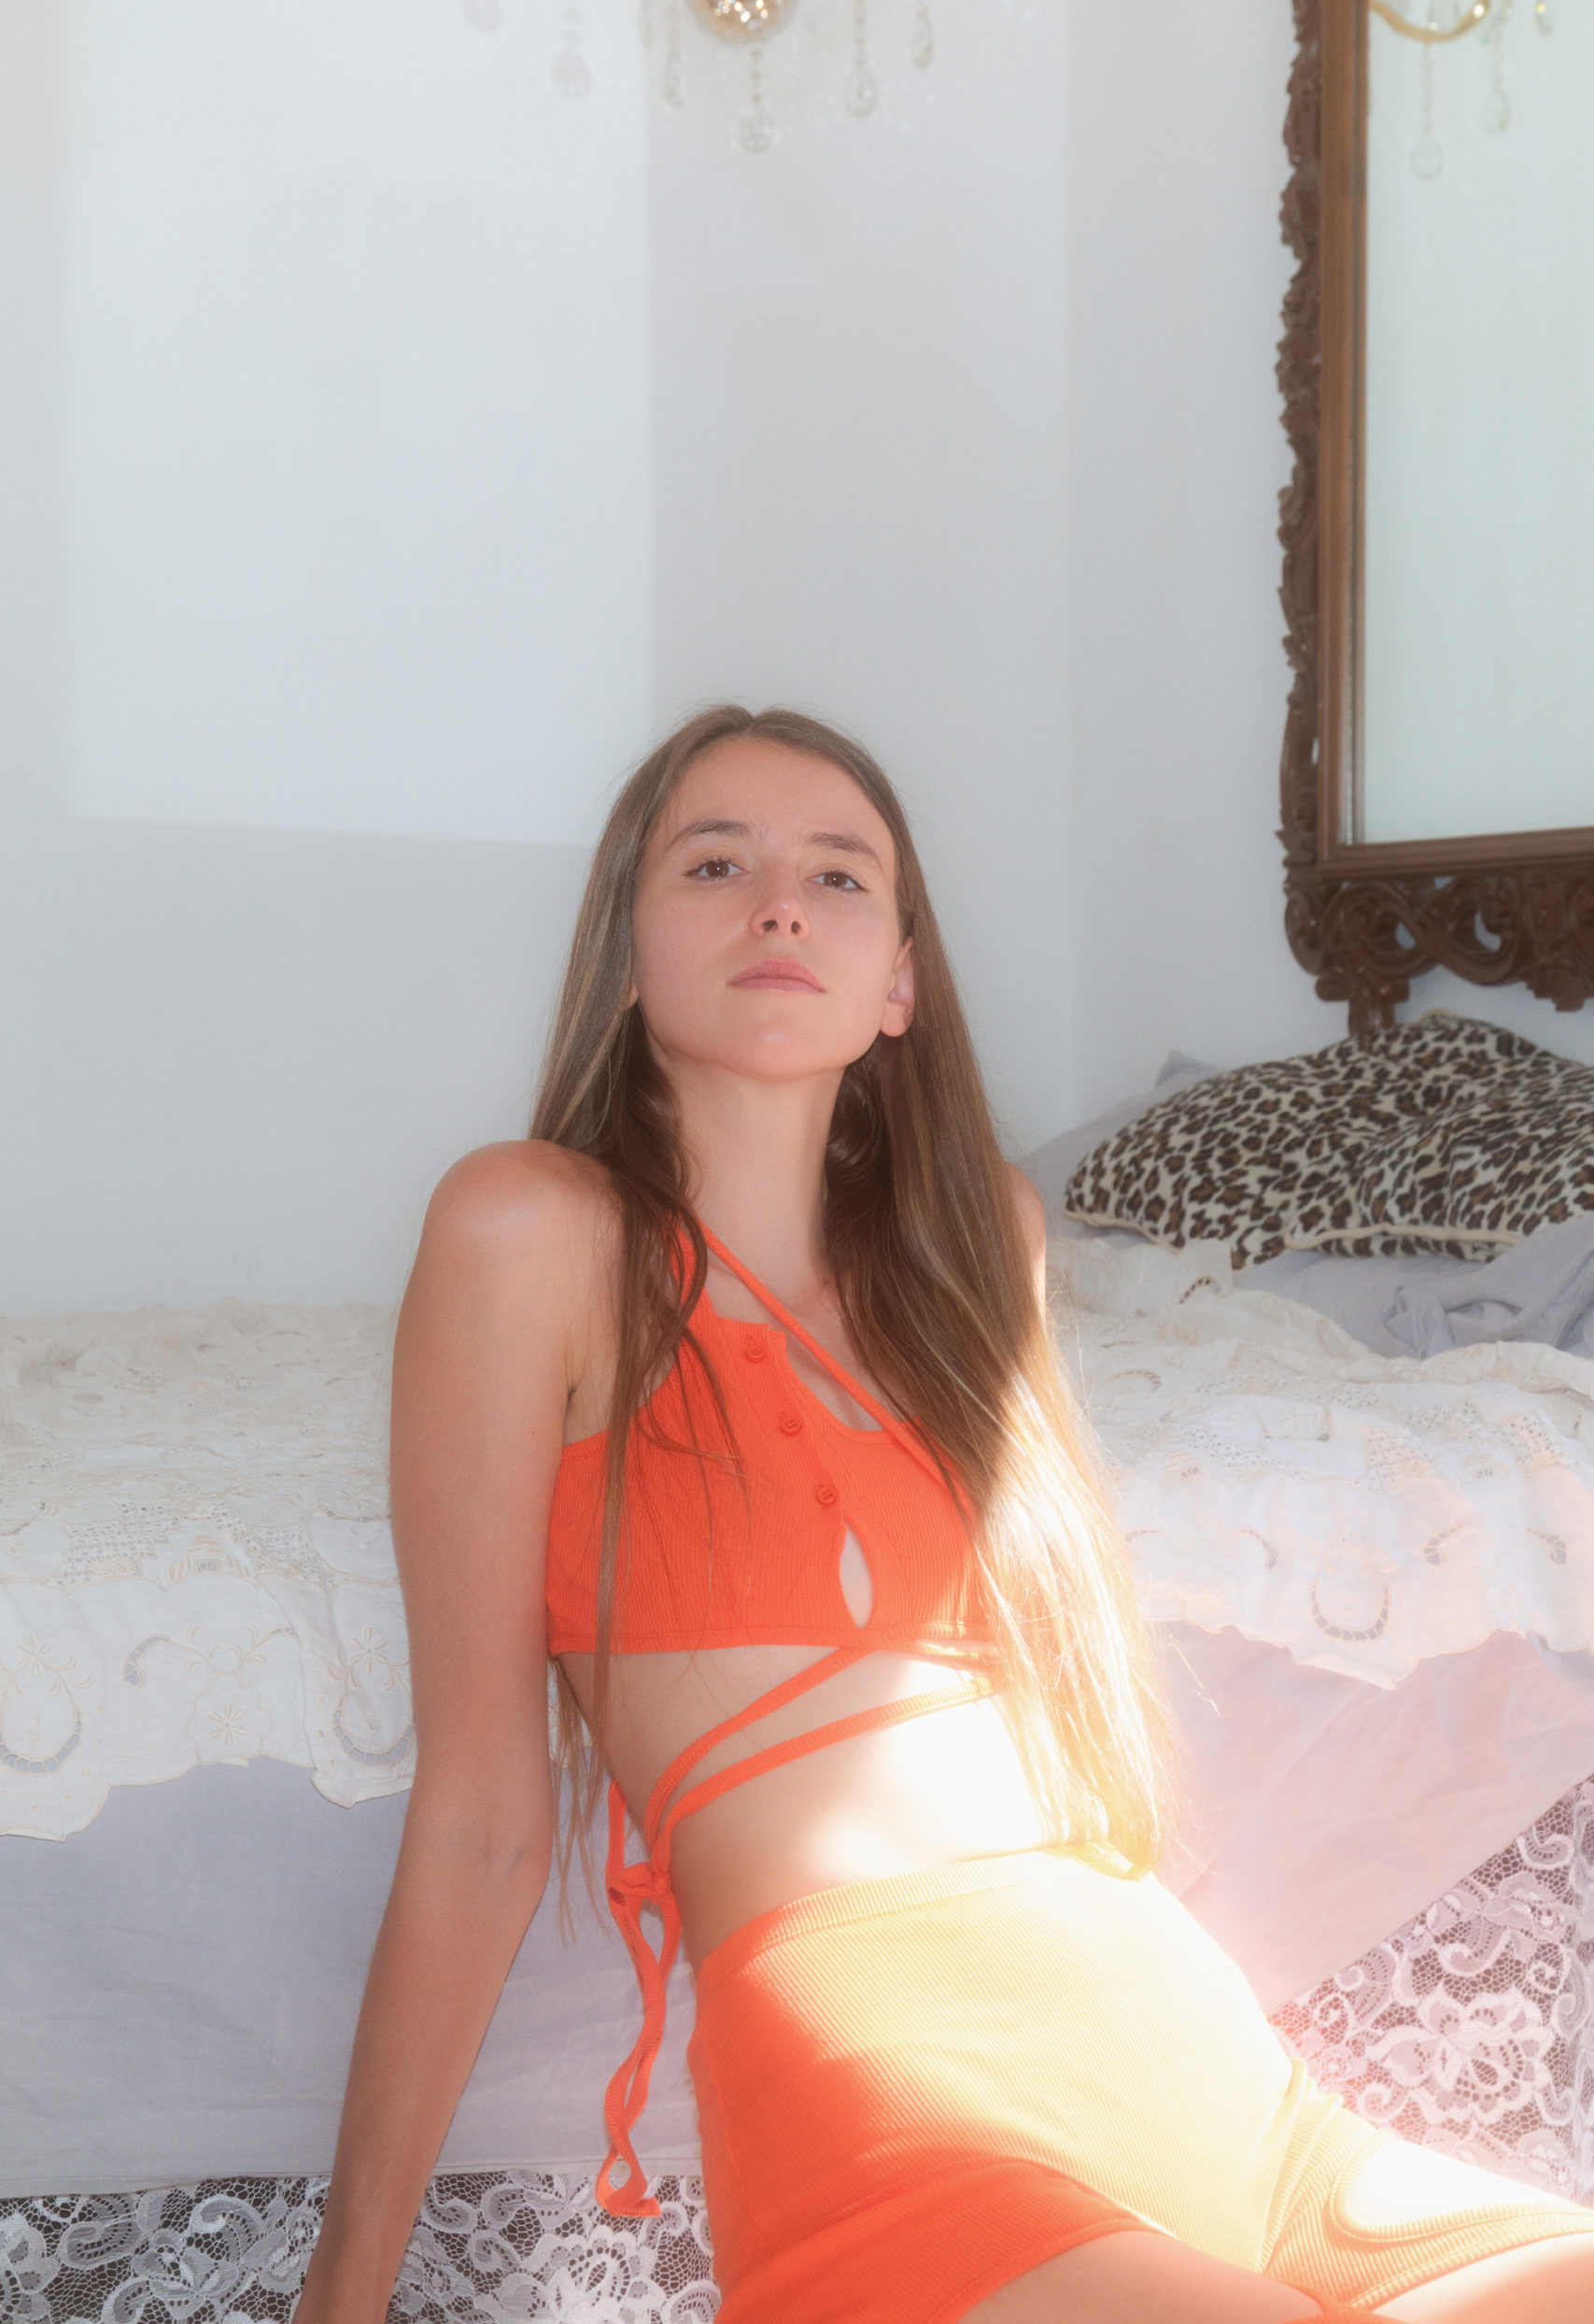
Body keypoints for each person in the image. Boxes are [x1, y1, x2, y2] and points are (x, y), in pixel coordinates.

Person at [293, 707, 1594, 2324]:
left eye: (839, 875)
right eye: (718, 865)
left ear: (898, 979)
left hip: (1218, 2085)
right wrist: (341, 2295)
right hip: (896, 2105)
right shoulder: (527, 1231)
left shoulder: (986, 1248)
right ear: (627, 953)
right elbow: (484, 1817)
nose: (782, 904)